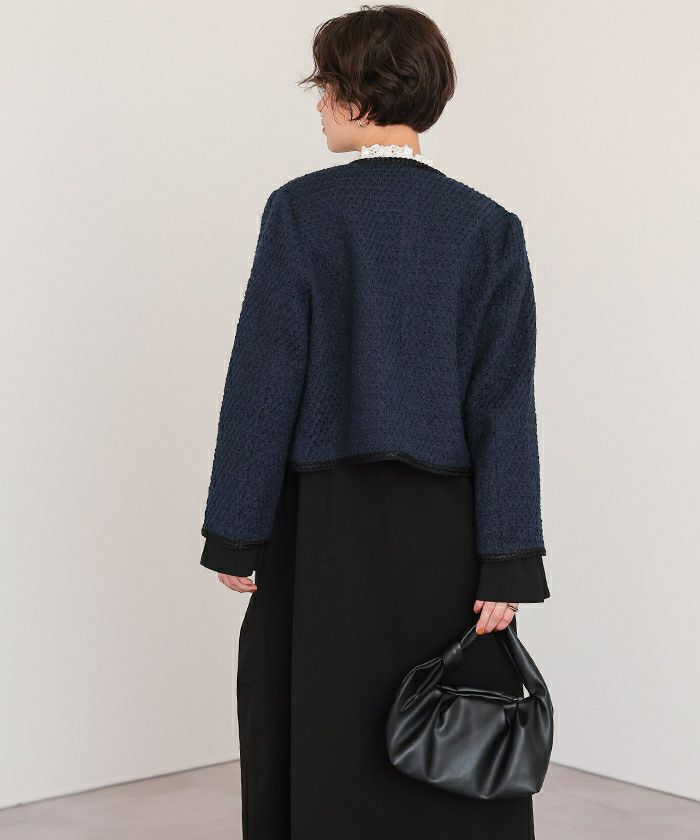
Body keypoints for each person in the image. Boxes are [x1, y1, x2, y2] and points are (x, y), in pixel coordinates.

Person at [199, 5, 550, 838]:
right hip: (447, 531)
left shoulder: (301, 211)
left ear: (359, 95)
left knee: (321, 724)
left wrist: (237, 531)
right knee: (442, 728)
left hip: (323, 527)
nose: (319, 104)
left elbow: (263, 378)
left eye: (325, 87)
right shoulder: (487, 227)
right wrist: (508, 560)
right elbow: (503, 402)